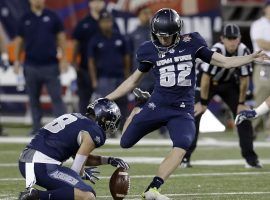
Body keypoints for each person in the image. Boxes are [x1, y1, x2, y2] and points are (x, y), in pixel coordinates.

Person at [104, 8, 269, 199]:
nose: (163, 40)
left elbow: (224, 62)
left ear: (178, 32)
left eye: (167, 36)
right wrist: (109, 98)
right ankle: (139, 107)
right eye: (160, 36)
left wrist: (250, 57)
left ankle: (153, 188)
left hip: (181, 109)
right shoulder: (148, 49)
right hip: (156, 104)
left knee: (183, 143)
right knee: (125, 143)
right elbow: (133, 81)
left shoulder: (192, 42)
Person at [182, 24, 261, 169]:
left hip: (228, 83)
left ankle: (250, 159)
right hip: (207, 82)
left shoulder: (243, 50)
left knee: (243, 115)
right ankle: (184, 157)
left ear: (239, 38)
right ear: (222, 39)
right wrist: (203, 102)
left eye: (234, 38)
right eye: (229, 38)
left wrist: (241, 102)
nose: (232, 42)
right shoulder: (217, 50)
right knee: (194, 115)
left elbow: (244, 79)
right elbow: (205, 78)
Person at [18, 98, 129, 200]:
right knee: (87, 195)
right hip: (42, 165)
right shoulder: (95, 131)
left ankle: (37, 195)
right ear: (104, 118)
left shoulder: (76, 117)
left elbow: (79, 155)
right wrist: (80, 175)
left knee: (67, 192)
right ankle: (36, 196)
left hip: (26, 161)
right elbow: (76, 169)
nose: (112, 125)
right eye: (112, 121)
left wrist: (109, 160)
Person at [14, 0, 67, 135]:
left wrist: (64, 59)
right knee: (33, 99)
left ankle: (63, 128)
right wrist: (16, 61)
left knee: (56, 98)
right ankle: (36, 128)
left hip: (50, 64)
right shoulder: (25, 18)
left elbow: (61, 37)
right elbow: (19, 41)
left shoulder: (52, 16)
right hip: (31, 65)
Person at [88, 10, 131, 130]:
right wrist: (94, 79)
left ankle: (122, 128)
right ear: (100, 23)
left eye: (109, 21)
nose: (107, 24)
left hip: (120, 76)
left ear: (112, 22)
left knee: (123, 104)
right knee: (105, 105)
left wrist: (127, 76)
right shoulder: (95, 39)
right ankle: (104, 129)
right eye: (104, 21)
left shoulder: (120, 37)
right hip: (103, 77)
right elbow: (91, 61)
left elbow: (126, 57)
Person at [72, 0, 106, 114]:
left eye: (100, 1)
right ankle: (82, 124)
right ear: (90, 4)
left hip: (104, 70)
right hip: (85, 68)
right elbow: (76, 44)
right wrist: (74, 61)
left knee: (106, 101)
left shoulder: (109, 22)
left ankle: (105, 128)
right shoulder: (83, 23)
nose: (97, 4)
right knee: (84, 100)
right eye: (95, 1)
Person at [250, 0, 270, 134]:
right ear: (265, 9)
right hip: (264, 66)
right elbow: (261, 43)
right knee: (261, 98)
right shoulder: (258, 24)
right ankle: (251, 129)